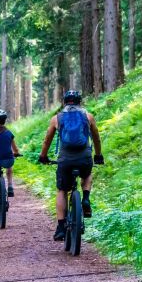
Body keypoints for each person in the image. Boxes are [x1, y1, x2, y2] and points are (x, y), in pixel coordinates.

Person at [38, 90, 104, 241]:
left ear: (64, 101)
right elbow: (96, 138)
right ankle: (85, 198)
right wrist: (98, 155)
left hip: (65, 159)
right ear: (80, 101)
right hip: (84, 157)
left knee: (62, 189)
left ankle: (61, 227)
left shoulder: (57, 118)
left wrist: (43, 156)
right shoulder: (88, 116)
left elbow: (47, 140)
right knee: (87, 174)